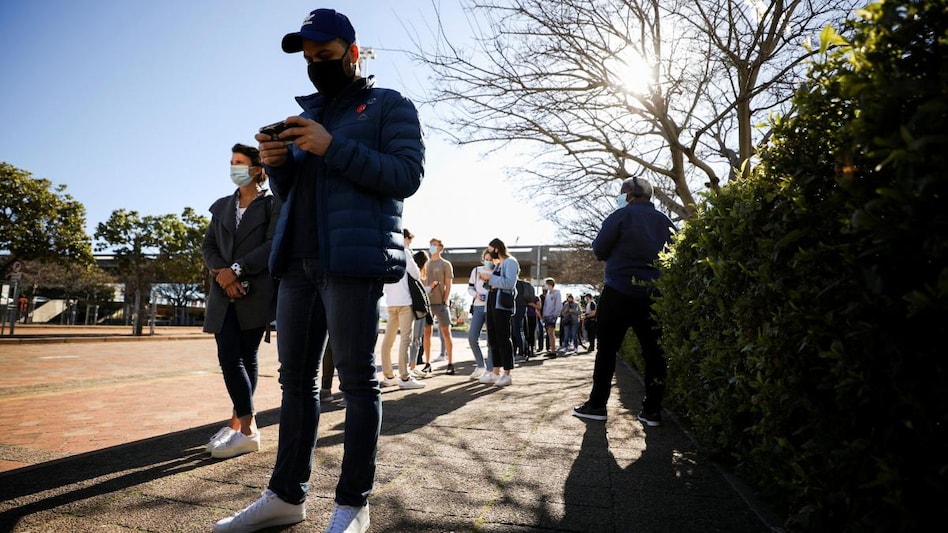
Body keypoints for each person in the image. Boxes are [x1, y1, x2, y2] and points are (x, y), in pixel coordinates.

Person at [213, 8, 425, 533]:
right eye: (309, 58)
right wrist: (280, 166)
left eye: (325, 55)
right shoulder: (306, 117)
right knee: (295, 382)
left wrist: (332, 145)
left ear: (352, 53)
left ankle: (353, 504)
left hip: (351, 261)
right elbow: (294, 197)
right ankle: (286, 495)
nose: (316, 65)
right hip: (297, 263)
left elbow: (407, 175)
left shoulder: (389, 106)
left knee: (357, 381)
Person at [572, 176, 676, 426]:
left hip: (618, 291)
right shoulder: (665, 221)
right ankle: (652, 410)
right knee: (654, 353)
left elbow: (599, 249)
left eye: (622, 193)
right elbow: (675, 254)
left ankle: (597, 405)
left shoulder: (620, 216)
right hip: (652, 294)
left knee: (607, 350)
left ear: (630, 194)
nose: (620, 197)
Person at [202, 143, 281, 459]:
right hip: (223, 291)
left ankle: (245, 429)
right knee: (230, 356)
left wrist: (237, 270)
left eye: (239, 162)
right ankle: (241, 425)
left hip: (255, 291)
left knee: (245, 357)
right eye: (231, 162)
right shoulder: (222, 206)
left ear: (256, 169)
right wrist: (223, 273)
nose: (233, 167)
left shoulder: (272, 204)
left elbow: (271, 245)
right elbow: (208, 246)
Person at [378, 229, 426, 390]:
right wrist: (409, 254)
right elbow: (416, 274)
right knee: (405, 339)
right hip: (405, 302)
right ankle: (405, 377)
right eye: (409, 240)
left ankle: (389, 376)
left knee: (388, 340)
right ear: (404, 238)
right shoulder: (404, 252)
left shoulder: (384, 253)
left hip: (391, 302)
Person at [479, 238, 519, 387]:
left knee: (503, 338)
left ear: (496, 249)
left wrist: (491, 278)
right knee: (493, 338)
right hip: (492, 301)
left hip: (502, 304)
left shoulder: (510, 262)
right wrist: (487, 280)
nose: (488, 252)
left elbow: (509, 283)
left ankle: (507, 374)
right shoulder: (498, 264)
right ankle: (495, 372)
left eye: (490, 249)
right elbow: (494, 283)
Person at [423, 238, 455, 374]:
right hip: (427, 305)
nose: (432, 247)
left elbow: (448, 285)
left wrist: (445, 300)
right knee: (426, 334)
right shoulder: (425, 264)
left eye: (435, 245)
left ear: (441, 247)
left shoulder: (445, 264)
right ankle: (427, 363)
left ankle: (450, 363)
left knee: (446, 333)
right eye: (431, 244)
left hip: (441, 304)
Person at [466, 248, 494, 380]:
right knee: (472, 337)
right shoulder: (476, 270)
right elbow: (470, 288)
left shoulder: (497, 272)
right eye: (486, 259)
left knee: (490, 340)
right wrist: (476, 295)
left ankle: (490, 369)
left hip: (492, 308)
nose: (488, 261)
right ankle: (480, 365)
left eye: (490, 259)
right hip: (478, 307)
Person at [410, 249, 432, 375]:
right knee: (416, 339)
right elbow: (420, 293)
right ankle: (412, 368)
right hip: (418, 310)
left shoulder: (409, 273)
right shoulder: (416, 275)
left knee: (411, 339)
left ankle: (411, 367)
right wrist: (431, 287)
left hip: (410, 308)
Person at [511, 275, 534, 362]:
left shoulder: (513, 283)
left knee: (516, 330)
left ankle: (521, 352)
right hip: (523, 307)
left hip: (516, 308)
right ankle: (524, 351)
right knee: (521, 330)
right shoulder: (524, 284)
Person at [540, 277, 563, 356]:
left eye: (546, 284)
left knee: (551, 332)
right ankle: (551, 349)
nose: (545, 286)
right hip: (547, 315)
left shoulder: (557, 293)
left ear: (550, 284)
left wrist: (555, 314)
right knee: (549, 334)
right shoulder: (548, 294)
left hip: (552, 316)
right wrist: (543, 314)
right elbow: (545, 305)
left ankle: (553, 351)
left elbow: (558, 305)